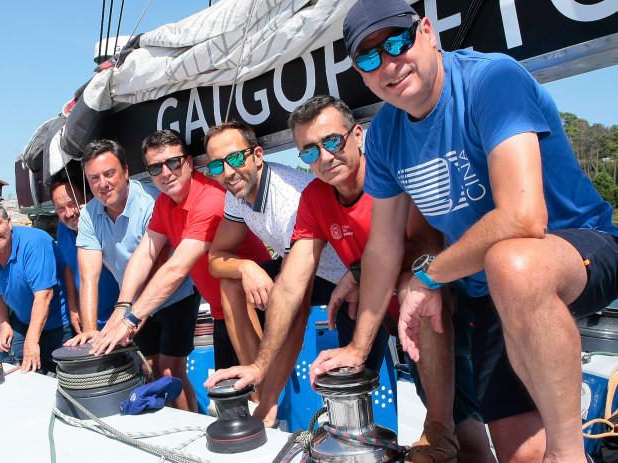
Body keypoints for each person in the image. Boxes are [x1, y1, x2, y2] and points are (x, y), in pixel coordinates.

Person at [312, 1, 618, 461]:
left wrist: (428, 276)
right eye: (370, 58)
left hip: (578, 248)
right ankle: (444, 429)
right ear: (360, 72)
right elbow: (384, 244)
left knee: (509, 261)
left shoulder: (491, 79)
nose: (389, 63)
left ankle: (569, 454)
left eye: (397, 42)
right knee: (519, 456)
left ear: (428, 33)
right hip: (491, 289)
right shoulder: (384, 135)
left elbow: (522, 218)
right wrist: (359, 346)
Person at [205, 97, 491, 462]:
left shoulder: (393, 174)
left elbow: (426, 245)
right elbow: (292, 284)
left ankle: (440, 429)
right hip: (373, 308)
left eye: (333, 142)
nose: (324, 158)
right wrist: (260, 367)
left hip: (433, 310)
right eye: (309, 152)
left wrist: (357, 273)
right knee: (353, 389)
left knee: (467, 436)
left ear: (358, 134)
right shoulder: (314, 197)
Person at [203, 120, 353, 426]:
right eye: (217, 165)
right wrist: (246, 267)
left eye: (235, 159)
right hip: (302, 267)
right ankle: (257, 387)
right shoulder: (237, 192)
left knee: (352, 381)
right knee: (231, 283)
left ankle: (266, 402)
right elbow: (216, 258)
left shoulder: (289, 199)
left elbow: (295, 305)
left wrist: (269, 406)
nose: (228, 172)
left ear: (258, 155)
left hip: (344, 277)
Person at [91, 130, 270, 378]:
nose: (165, 173)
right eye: (155, 168)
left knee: (259, 395)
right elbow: (145, 254)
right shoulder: (164, 203)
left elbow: (177, 268)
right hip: (222, 313)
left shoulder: (211, 199)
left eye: (173, 163)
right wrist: (122, 307)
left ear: (189, 162)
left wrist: (130, 320)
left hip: (256, 305)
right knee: (232, 398)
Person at [65, 139, 201, 412]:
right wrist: (91, 332)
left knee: (169, 372)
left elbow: (158, 266)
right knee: (148, 368)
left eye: (109, 174)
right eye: (94, 178)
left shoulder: (152, 202)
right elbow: (88, 276)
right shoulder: (89, 216)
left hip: (175, 295)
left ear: (126, 171)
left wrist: (128, 320)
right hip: (130, 301)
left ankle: (192, 429)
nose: (103, 184)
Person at [0, 203, 73, 374]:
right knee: (9, 366)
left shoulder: (35, 243)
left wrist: (32, 341)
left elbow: (44, 296)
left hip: (58, 322)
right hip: (23, 321)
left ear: (9, 221)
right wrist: (5, 323)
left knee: (66, 377)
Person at [50, 180, 119, 335]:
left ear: (88, 199)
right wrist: (73, 307)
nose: (69, 213)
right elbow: (68, 267)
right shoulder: (63, 229)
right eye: (61, 208)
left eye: (72, 204)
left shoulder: (104, 225)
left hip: (119, 315)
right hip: (91, 320)